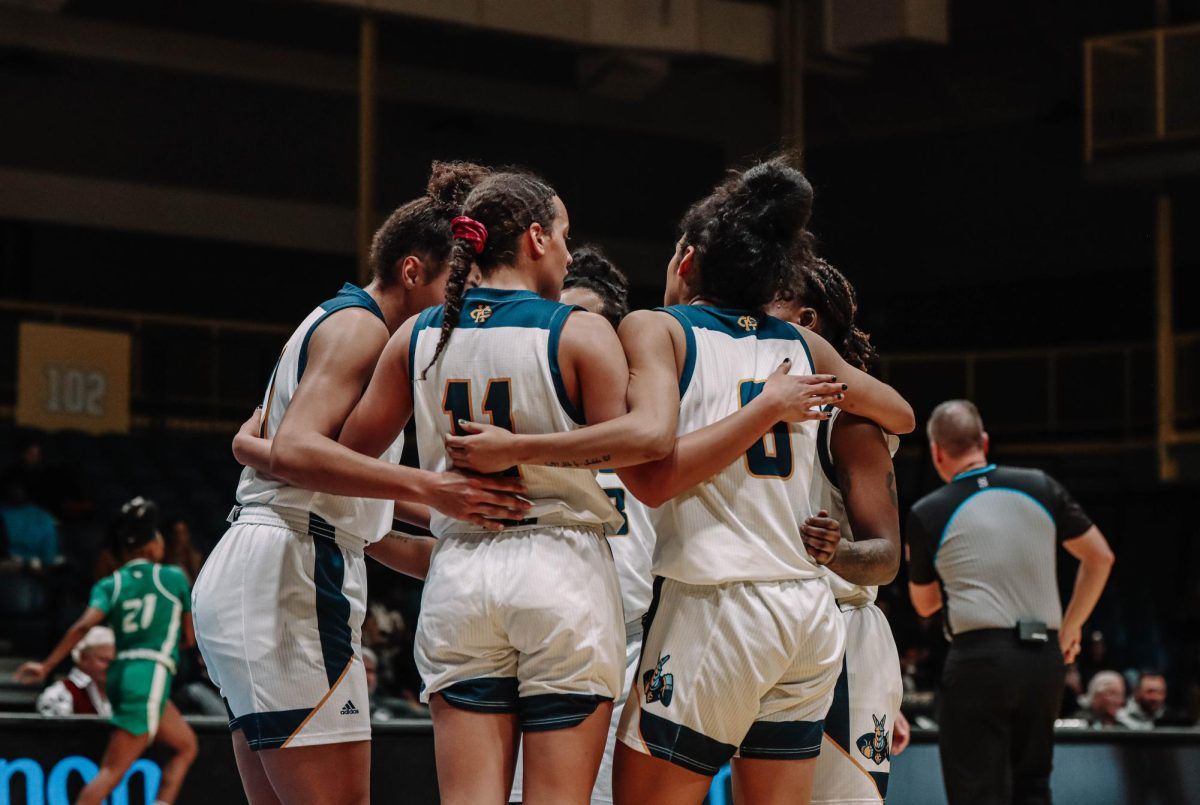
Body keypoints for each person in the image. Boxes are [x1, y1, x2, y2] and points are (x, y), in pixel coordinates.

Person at [446, 157, 914, 805]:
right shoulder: (803, 348)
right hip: (805, 615)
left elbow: (655, 477)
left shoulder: (657, 329)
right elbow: (901, 413)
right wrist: (801, 392)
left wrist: (756, 407)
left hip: (717, 602)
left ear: (687, 261)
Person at [193, 162, 528, 805]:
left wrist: (451, 507)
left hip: (266, 561)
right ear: (411, 271)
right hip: (291, 566)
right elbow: (297, 448)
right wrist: (434, 490)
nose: (457, 306)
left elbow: (303, 454)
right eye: (451, 287)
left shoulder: (338, 318)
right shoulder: (363, 329)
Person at [906, 400, 1115, 805]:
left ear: (936, 452)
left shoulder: (928, 511)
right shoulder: (1040, 485)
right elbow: (1100, 557)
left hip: (980, 659)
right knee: (1033, 786)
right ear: (983, 441)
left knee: (977, 792)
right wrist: (1072, 626)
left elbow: (925, 604)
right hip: (1044, 658)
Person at [767, 257, 907, 804]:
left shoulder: (847, 422)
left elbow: (888, 557)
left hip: (843, 631)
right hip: (768, 625)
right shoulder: (739, 407)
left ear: (808, 319)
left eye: (768, 301)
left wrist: (839, 552)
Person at [15, 497, 198, 805]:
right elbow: (188, 638)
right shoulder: (173, 577)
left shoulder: (110, 583)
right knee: (112, 771)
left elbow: (81, 627)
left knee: (186, 744)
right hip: (149, 672)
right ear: (154, 544)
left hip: (121, 674)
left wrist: (46, 666)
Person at [35, 625, 115, 718]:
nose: (111, 666)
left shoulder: (121, 693)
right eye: (104, 660)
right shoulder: (58, 694)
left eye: (115, 661)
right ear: (83, 657)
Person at [162, 518, 203, 584]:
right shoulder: (166, 562)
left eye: (183, 532)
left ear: (188, 535)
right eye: (177, 533)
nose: (180, 537)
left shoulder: (197, 557)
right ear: (171, 536)